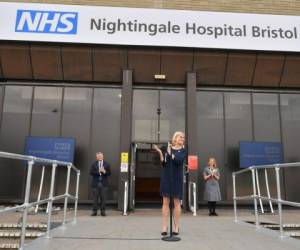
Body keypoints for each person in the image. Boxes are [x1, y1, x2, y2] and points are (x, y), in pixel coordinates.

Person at [154, 131, 187, 236]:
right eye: (180, 137)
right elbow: (164, 164)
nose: (182, 139)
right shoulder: (168, 149)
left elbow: (179, 161)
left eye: (183, 137)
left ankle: (176, 227)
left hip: (177, 179)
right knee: (165, 202)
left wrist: (170, 153)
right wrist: (160, 153)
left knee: (177, 203)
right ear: (175, 138)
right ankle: (164, 226)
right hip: (166, 178)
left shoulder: (183, 150)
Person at [90, 152, 111, 216]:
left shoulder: (107, 164)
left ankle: (103, 211)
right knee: (95, 199)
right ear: (96, 157)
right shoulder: (94, 164)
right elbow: (91, 172)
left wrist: (104, 171)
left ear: (103, 156)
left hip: (104, 183)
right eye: (98, 156)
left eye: (100, 156)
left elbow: (109, 173)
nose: (99, 157)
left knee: (103, 198)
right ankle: (94, 212)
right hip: (95, 183)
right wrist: (98, 171)